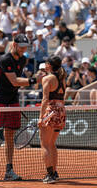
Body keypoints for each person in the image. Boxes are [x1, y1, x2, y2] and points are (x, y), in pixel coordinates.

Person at [0, 34, 43, 181]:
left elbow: (17, 82)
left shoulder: (22, 59)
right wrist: (35, 79)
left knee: (9, 136)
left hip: (13, 100)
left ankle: (9, 170)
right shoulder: (5, 59)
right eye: (21, 47)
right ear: (14, 45)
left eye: (25, 48)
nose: (23, 50)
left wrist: (36, 77)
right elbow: (15, 81)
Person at [38, 55, 66, 184]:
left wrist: (41, 118)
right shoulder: (62, 79)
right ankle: (54, 173)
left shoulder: (47, 79)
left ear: (49, 65)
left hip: (50, 112)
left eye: (46, 63)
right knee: (52, 144)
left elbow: (45, 100)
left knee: (45, 144)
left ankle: (50, 174)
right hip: (61, 111)